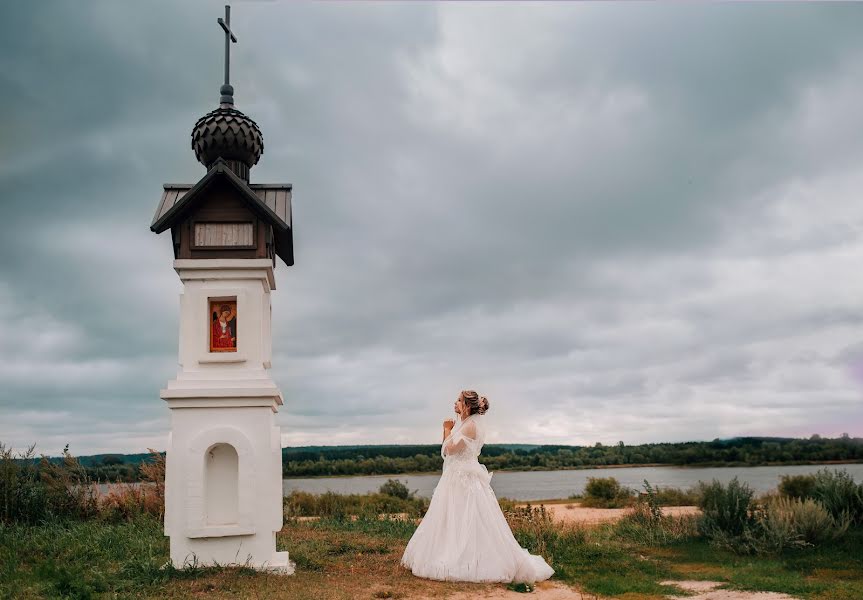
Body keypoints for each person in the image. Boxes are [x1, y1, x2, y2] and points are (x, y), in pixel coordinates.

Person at [400, 390, 554, 584]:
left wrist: (447, 428)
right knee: (451, 515)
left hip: (465, 477)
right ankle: (447, 550)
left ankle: (469, 560)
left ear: (467, 405)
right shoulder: (463, 424)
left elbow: (450, 448)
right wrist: (447, 430)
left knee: (469, 516)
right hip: (455, 475)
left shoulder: (471, 425)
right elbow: (447, 450)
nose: (455, 403)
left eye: (458, 400)